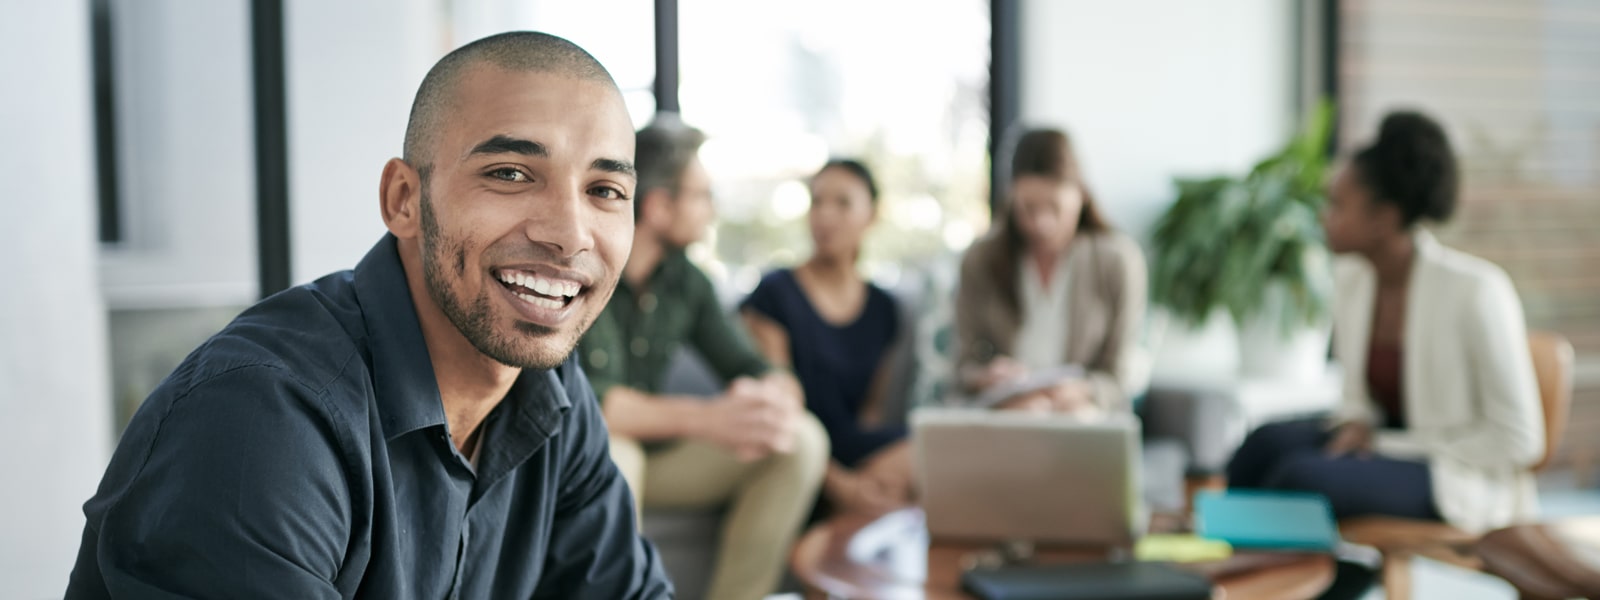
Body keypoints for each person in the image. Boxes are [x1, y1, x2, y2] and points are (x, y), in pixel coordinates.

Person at [65, 32, 671, 599]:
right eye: (509, 174)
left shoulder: (551, 394)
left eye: (605, 191)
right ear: (404, 200)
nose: (569, 234)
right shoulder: (257, 414)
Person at [1226, 111, 1544, 532]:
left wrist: (1384, 444)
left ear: (1384, 219)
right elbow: (1360, 398)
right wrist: (1359, 423)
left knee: (1301, 479)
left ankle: (1312, 587)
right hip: (1384, 441)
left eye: (1338, 205)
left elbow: (1519, 440)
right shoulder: (1352, 279)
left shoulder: (1478, 291)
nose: (1324, 216)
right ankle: (1237, 581)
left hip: (1456, 470)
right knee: (1261, 447)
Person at [577, 117, 829, 600]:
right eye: (702, 196)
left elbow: (751, 364)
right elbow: (599, 405)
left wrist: (775, 395)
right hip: (597, 450)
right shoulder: (591, 271)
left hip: (666, 460)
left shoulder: (688, 281)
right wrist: (711, 418)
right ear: (658, 206)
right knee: (616, 456)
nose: (711, 210)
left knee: (801, 441)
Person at [741, 159, 912, 518]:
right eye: (817, 202)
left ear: (872, 215)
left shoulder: (885, 308)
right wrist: (843, 487)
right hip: (793, 448)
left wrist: (869, 480)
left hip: (854, 451)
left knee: (929, 454)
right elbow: (776, 412)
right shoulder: (774, 294)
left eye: (842, 203)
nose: (825, 216)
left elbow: (870, 414)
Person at [954, 128, 1149, 414]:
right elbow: (962, 369)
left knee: (1070, 416)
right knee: (1029, 411)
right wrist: (988, 376)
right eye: (1028, 208)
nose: (1041, 223)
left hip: (1080, 410)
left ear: (1080, 195)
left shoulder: (1118, 261)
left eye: (1055, 208)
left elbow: (1119, 376)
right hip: (1007, 409)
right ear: (1012, 200)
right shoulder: (981, 259)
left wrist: (1081, 389)